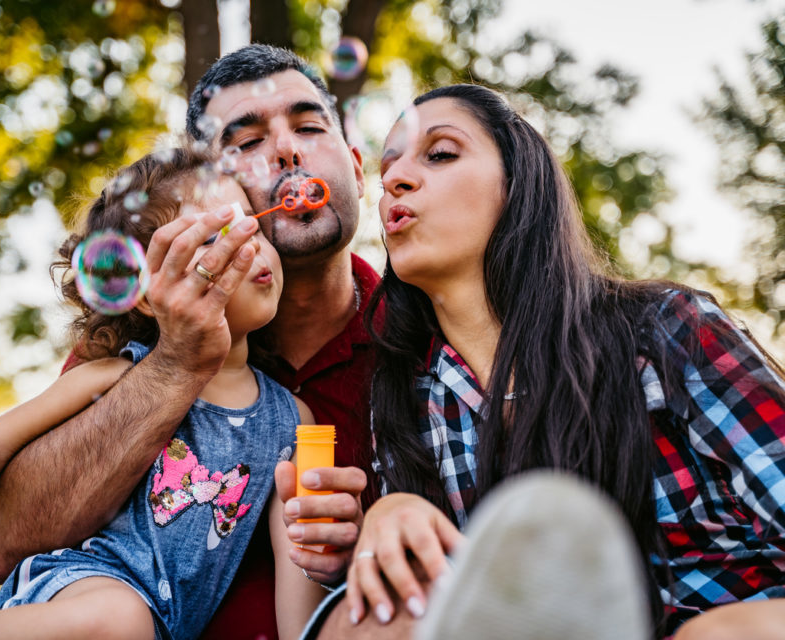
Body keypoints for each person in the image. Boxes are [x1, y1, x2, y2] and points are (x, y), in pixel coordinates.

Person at [306, 83, 785, 640]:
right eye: (387, 169)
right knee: (365, 624)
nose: (393, 181)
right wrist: (383, 526)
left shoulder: (665, 330)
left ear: (517, 184)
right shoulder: (409, 397)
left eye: (440, 153)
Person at [0, 44, 375, 639]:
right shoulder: (131, 346)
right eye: (246, 143)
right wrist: (178, 364)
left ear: (358, 168)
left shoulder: (424, 334)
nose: (287, 149)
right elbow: (0, 545)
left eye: (311, 126)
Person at [0, 148, 327, 639]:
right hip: (75, 585)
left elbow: (300, 558)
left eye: (253, 227)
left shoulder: (293, 420)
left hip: (164, 628)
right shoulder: (115, 376)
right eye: (214, 240)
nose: (249, 247)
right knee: (120, 618)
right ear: (151, 297)